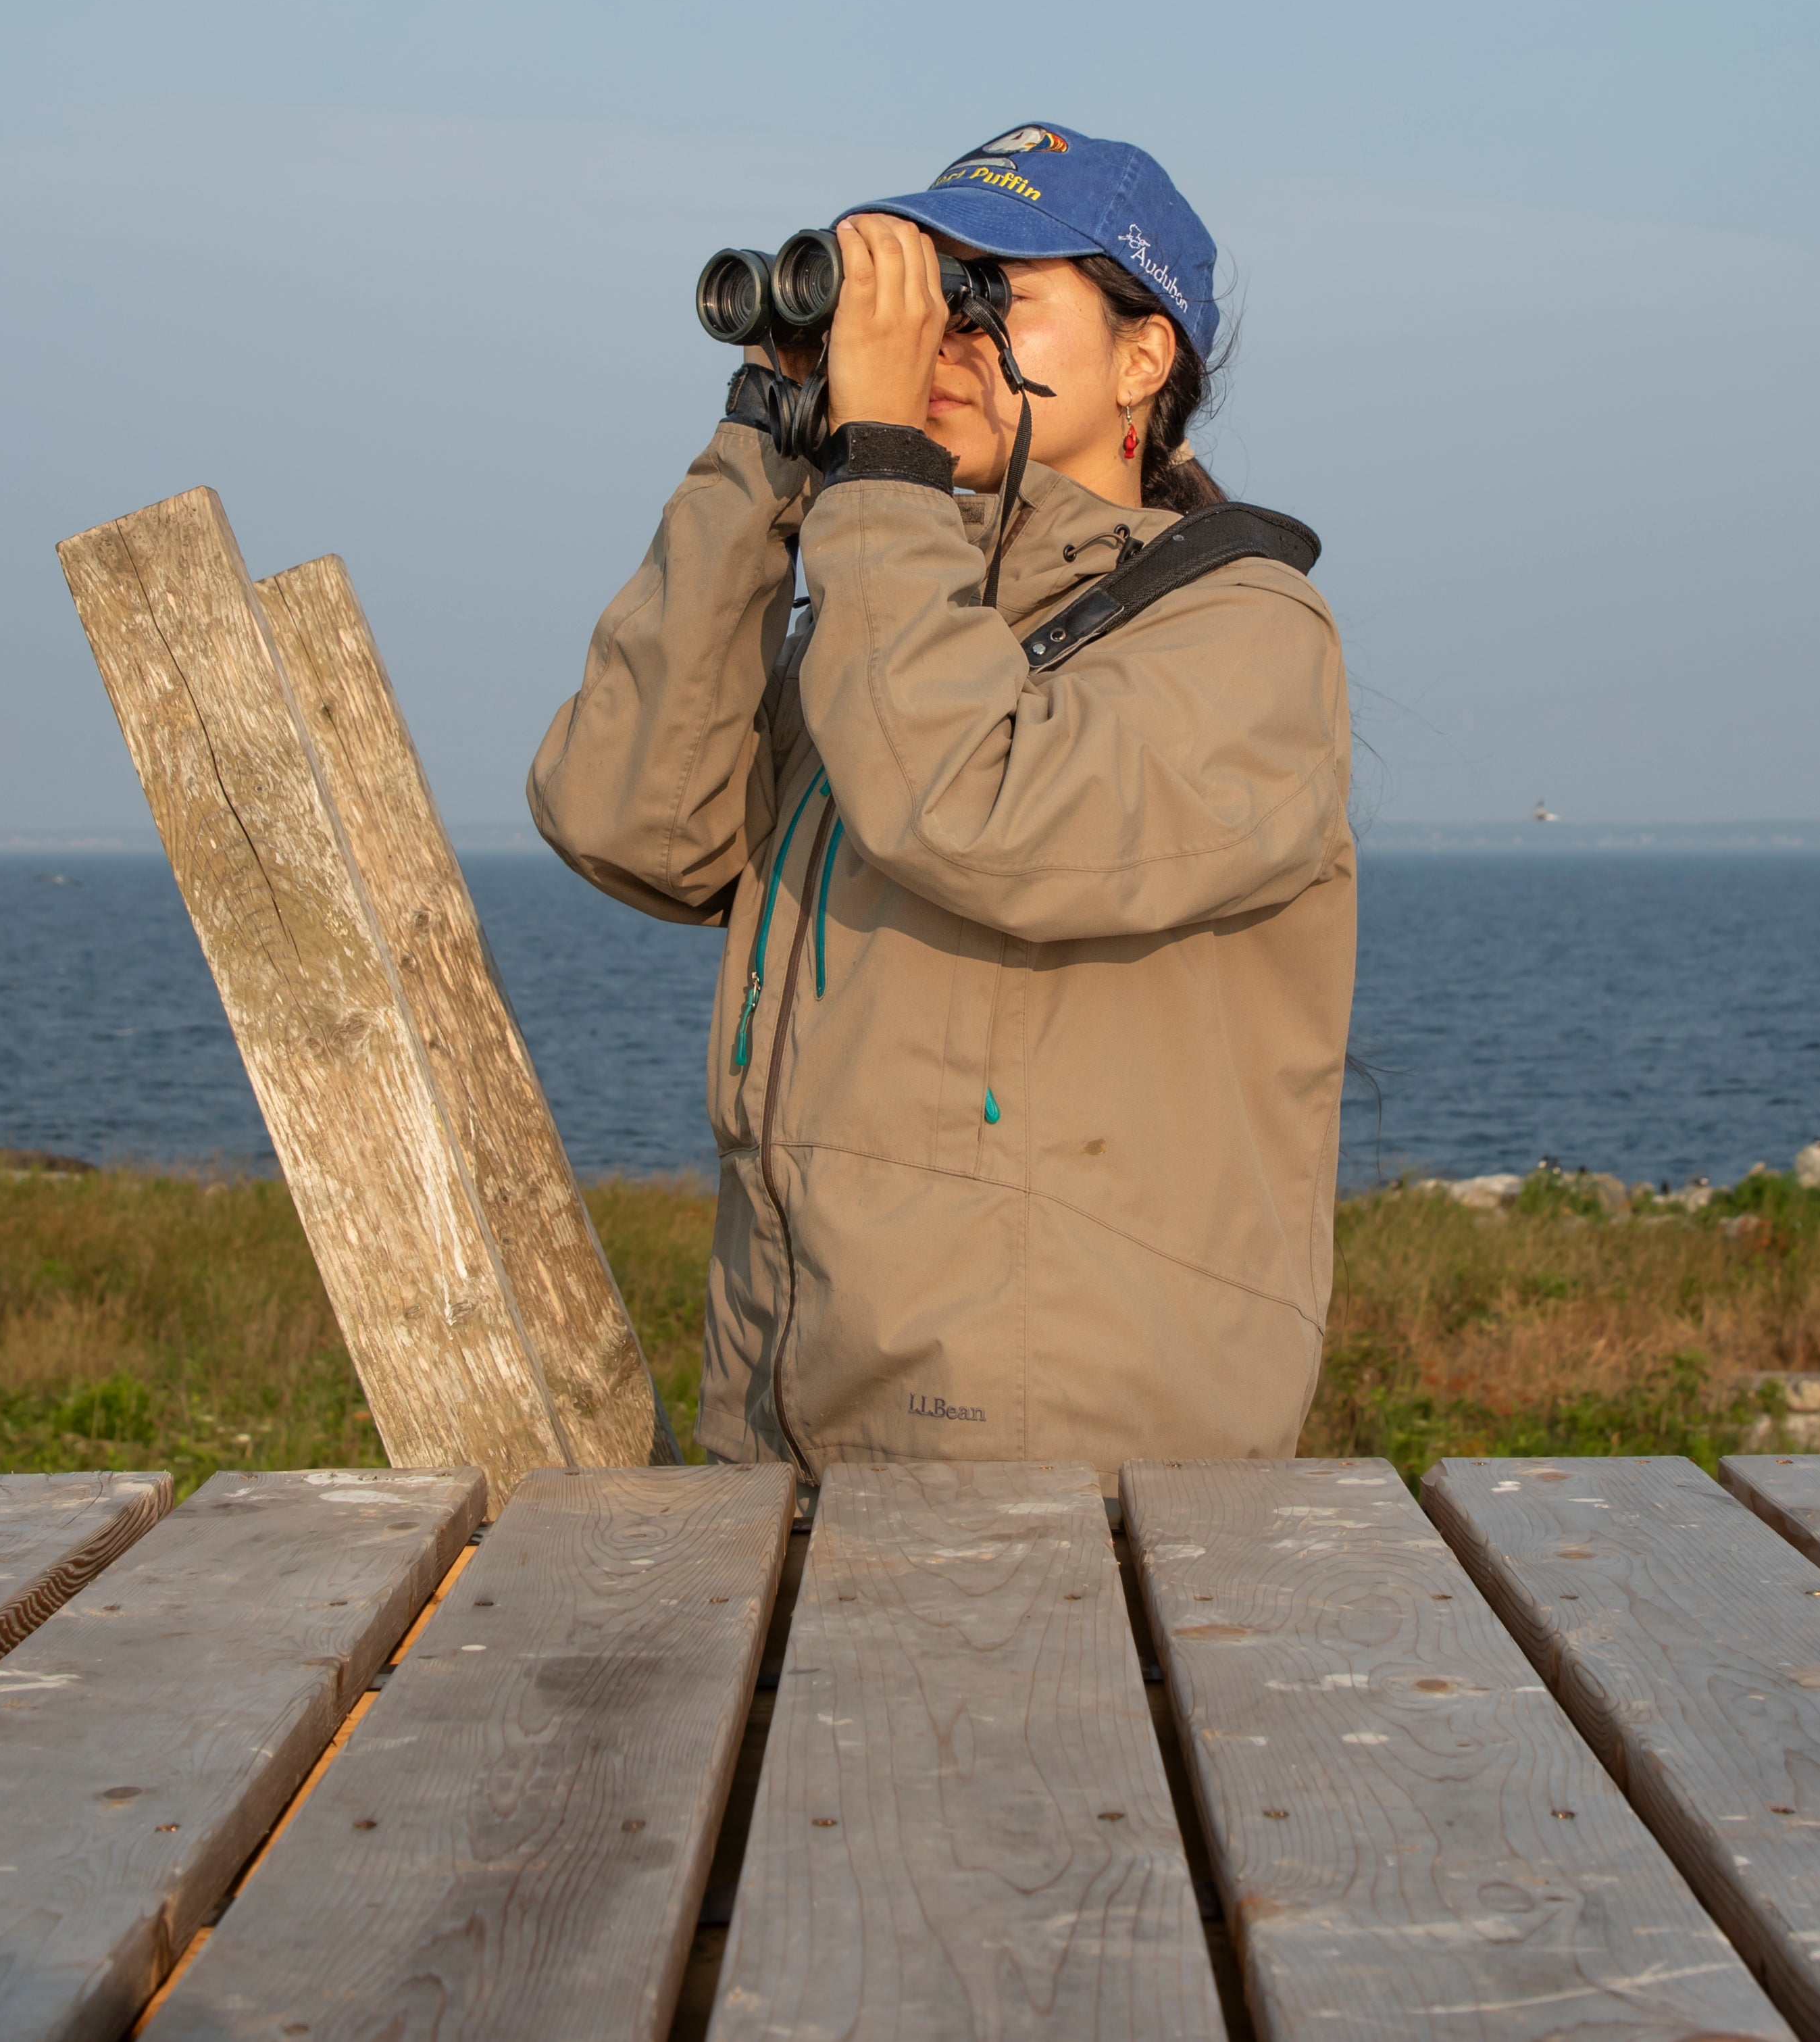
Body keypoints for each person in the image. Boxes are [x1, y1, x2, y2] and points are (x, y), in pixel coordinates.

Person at [531, 123, 1356, 1472]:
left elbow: (973, 809)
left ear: (1143, 358)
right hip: (791, 1423)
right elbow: (630, 823)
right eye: (930, 300)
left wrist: (880, 476)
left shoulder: (1247, 633)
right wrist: (765, 446)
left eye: (992, 301)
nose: (941, 343)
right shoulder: (895, 611)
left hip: (1065, 1471)